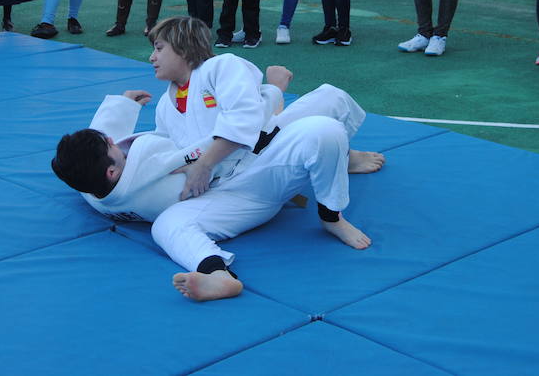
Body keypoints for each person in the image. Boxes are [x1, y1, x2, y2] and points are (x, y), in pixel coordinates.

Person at [52, 16, 385, 302]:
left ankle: (332, 213)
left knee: (328, 117)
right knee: (167, 225)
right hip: (236, 190)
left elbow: (245, 118)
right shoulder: (167, 106)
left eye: (159, 48)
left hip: (260, 155)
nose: (152, 57)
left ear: (183, 49)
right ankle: (218, 274)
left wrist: (206, 162)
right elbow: (112, 157)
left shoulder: (219, 67)